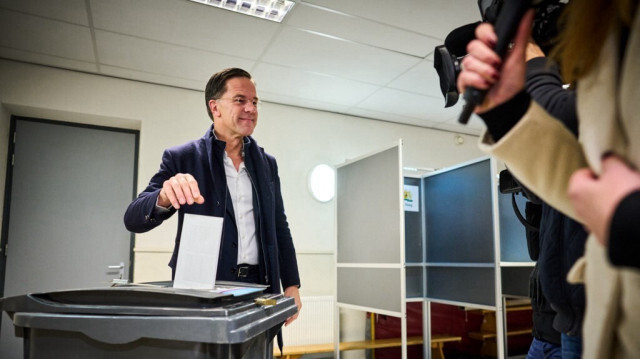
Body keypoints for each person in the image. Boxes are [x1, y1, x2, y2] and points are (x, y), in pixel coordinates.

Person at [457, 1, 640, 357]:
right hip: (591, 324)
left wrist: (628, 221)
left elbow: (616, 205)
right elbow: (595, 186)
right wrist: (507, 112)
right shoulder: (609, 23)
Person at [124, 67, 302, 326]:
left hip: (261, 287)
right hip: (203, 289)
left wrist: (292, 284)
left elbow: (279, 226)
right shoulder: (183, 157)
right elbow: (133, 218)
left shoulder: (267, 164)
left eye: (255, 102)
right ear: (215, 107)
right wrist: (163, 196)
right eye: (240, 100)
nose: (251, 108)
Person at [522, 41, 586, 359]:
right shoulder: (563, 168)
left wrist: (536, 70)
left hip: (593, 322)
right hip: (563, 324)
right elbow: (538, 247)